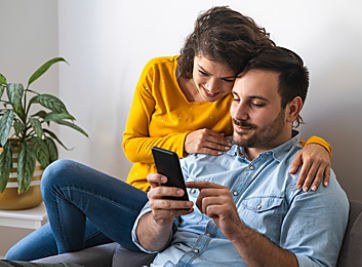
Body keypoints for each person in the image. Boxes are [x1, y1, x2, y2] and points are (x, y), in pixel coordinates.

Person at [6, 6, 331, 261]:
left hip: (174, 211)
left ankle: (73, 260)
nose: (212, 88)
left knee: (59, 175)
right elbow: (131, 145)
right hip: (134, 199)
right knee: (16, 255)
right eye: (204, 73)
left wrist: (320, 146)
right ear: (191, 56)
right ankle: (74, 259)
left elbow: (272, 129)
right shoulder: (157, 74)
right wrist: (184, 143)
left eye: (227, 80)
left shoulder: (234, 102)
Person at [133, 46, 349, 266]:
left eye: (256, 104)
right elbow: (145, 242)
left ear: (292, 109)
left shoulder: (309, 179)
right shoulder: (203, 156)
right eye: (235, 99)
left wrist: (238, 231)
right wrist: (160, 220)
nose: (238, 114)